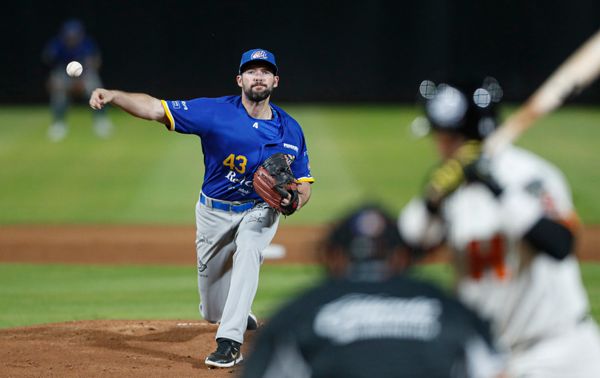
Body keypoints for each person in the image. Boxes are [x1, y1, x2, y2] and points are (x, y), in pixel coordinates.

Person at [88, 48, 314, 368]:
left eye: (265, 71)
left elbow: (303, 183)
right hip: (213, 212)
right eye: (251, 71)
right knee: (211, 311)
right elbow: (155, 108)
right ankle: (233, 315)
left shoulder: (290, 130)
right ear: (240, 79)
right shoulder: (214, 112)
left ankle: (229, 342)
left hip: (258, 209)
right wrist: (114, 95)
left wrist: (295, 200)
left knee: (250, 249)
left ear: (275, 81)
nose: (258, 76)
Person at [398, 78, 600, 377]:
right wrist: (432, 201)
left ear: (458, 136)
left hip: (561, 353)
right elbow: (408, 249)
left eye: (441, 136)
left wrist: (497, 189)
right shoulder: (452, 185)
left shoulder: (531, 175)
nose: (437, 145)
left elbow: (559, 243)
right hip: (492, 359)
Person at [241, 204, 506, 378]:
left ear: (336, 257)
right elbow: (496, 369)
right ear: (400, 258)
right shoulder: (448, 307)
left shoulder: (300, 312)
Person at [43, 19, 113, 141]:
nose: (72, 38)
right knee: (58, 91)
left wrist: (82, 80)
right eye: (69, 36)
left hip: (85, 73)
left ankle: (101, 121)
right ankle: (58, 124)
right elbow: (49, 62)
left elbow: (95, 62)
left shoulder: (87, 43)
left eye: (74, 36)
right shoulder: (58, 44)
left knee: (96, 87)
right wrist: (52, 79)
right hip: (64, 74)